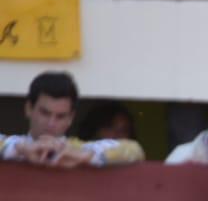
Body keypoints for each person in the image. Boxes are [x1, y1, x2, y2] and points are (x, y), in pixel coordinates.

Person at [0, 71, 143, 169]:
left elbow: (134, 150)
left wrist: (85, 156)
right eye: (45, 113)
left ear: (70, 118)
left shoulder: (78, 150)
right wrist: (19, 149)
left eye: (60, 116)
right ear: (29, 109)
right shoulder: (15, 145)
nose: (51, 123)